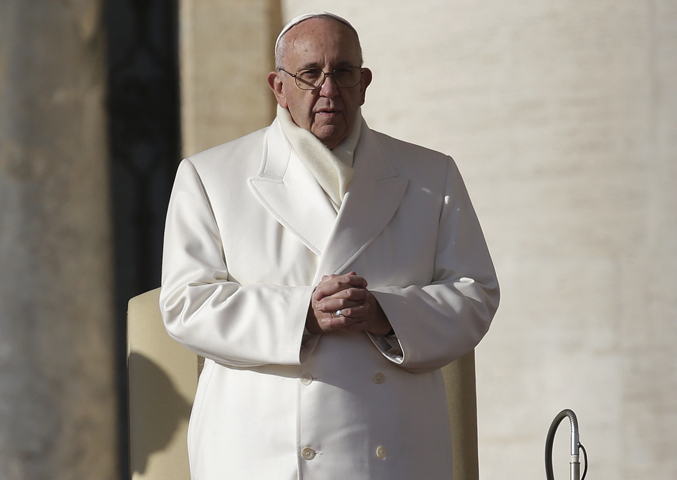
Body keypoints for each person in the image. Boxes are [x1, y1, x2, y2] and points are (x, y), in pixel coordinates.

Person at [159, 12, 499, 480]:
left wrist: (386, 314)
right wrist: (303, 314)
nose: (328, 88)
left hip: (392, 449)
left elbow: (474, 293)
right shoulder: (210, 175)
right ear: (278, 87)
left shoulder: (430, 174)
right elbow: (185, 303)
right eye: (310, 74)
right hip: (261, 450)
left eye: (342, 72)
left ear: (364, 82)